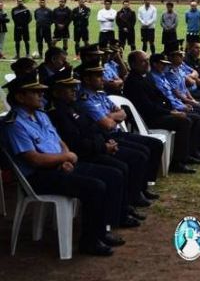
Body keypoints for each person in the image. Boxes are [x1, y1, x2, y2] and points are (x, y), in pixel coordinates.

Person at [1, 72, 126, 256]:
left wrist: (65, 156)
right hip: (39, 176)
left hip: (60, 165)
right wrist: (64, 159)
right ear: (20, 97)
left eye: (41, 92)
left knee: (112, 174)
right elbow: (34, 159)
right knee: (95, 187)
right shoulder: (15, 124)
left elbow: (59, 140)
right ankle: (89, 242)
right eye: (35, 92)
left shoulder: (40, 114)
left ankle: (102, 231)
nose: (41, 95)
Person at [44, 66, 147, 228]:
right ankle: (115, 217)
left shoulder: (73, 107)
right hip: (84, 154)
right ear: (56, 93)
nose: (73, 90)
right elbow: (76, 141)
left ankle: (122, 210)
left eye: (73, 86)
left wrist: (107, 142)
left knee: (124, 165)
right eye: (68, 88)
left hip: (95, 147)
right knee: (117, 171)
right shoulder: (57, 113)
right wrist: (103, 146)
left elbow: (93, 128)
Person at [75, 60, 163, 202]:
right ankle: (134, 195)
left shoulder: (100, 94)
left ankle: (143, 186)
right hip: (107, 137)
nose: (103, 79)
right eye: (98, 76)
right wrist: (111, 118)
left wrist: (110, 116)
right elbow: (108, 125)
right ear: (86, 79)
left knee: (155, 144)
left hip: (116, 132)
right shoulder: (85, 100)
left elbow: (123, 114)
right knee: (139, 155)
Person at [122, 51, 199, 173]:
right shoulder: (133, 82)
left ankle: (189, 153)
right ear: (133, 64)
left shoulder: (146, 76)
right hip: (148, 118)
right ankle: (177, 162)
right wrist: (171, 113)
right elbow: (147, 106)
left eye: (147, 60)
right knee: (184, 121)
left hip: (158, 112)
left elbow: (160, 96)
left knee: (191, 117)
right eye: (142, 61)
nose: (146, 64)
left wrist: (171, 109)